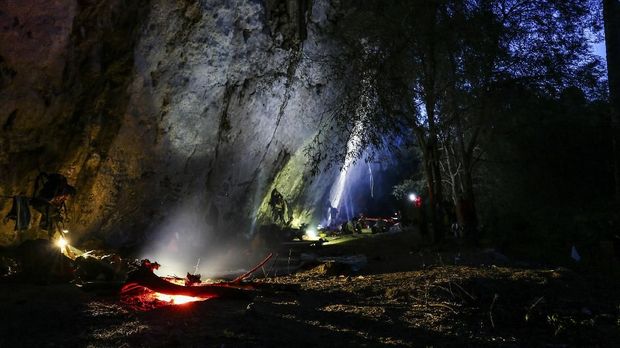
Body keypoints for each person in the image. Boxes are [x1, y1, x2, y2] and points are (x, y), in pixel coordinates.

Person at [30, 172, 76, 239]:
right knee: (53, 216)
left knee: (53, 215)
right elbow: (47, 200)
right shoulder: (54, 192)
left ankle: (48, 234)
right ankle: (47, 235)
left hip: (44, 204)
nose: (66, 198)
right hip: (42, 203)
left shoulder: (57, 191)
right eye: (66, 196)